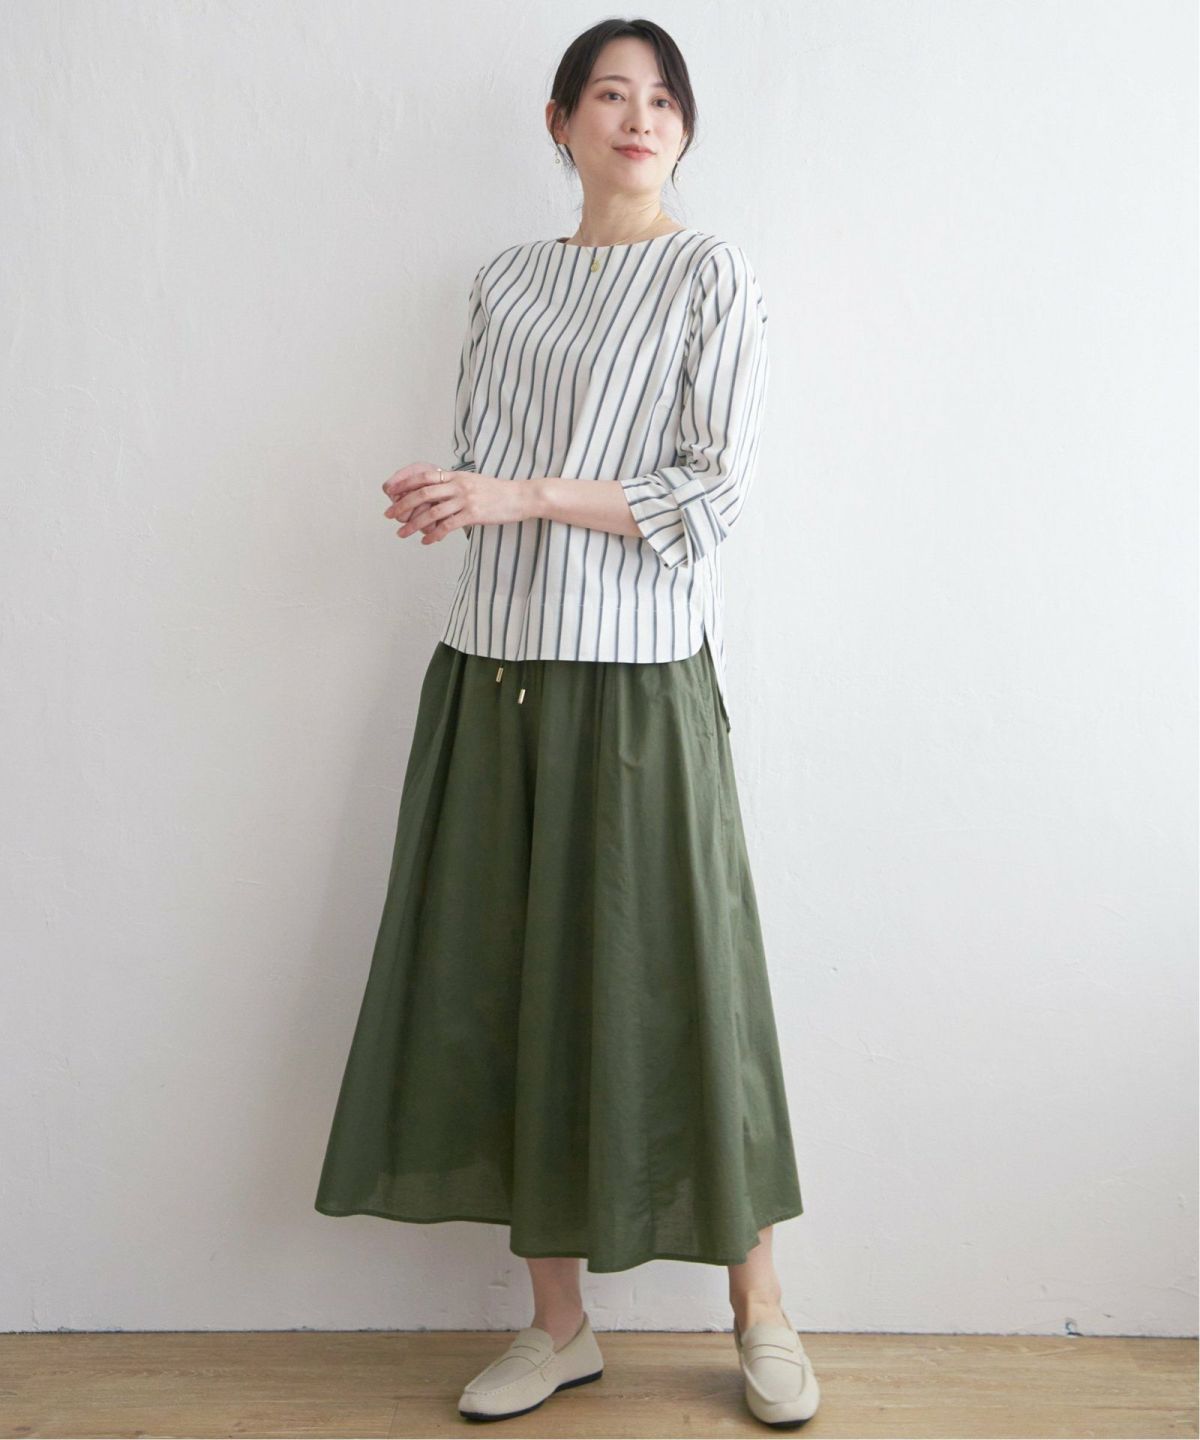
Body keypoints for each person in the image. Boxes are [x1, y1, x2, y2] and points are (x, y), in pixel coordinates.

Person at [314, 17, 820, 1429]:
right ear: (560, 123)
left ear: (685, 129)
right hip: (493, 673)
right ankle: (557, 1325)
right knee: (503, 986)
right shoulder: (506, 280)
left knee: (686, 982)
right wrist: (450, 499)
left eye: (662, 98)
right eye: (609, 94)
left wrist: (522, 495)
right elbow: (489, 462)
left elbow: (709, 494)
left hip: (642, 680)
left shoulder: (712, 275)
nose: (639, 117)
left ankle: (761, 1310)